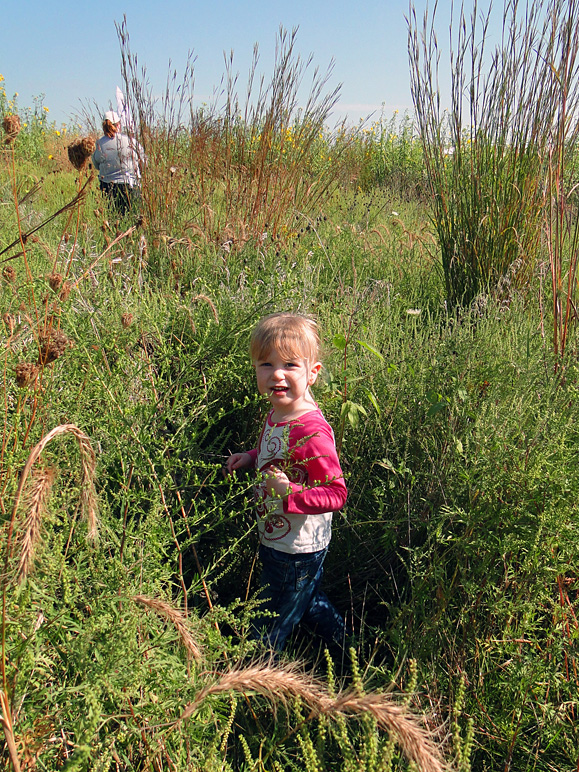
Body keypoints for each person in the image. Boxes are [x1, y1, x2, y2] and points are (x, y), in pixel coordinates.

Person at [226, 312, 347, 653]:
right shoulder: (281, 411)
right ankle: (349, 646)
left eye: (291, 365)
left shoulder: (311, 431)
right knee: (306, 601)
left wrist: (290, 493)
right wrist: (252, 456)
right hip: (282, 537)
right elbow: (277, 452)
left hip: (295, 549)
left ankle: (256, 676)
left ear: (313, 373)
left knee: (268, 623)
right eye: (266, 364)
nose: (277, 374)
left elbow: (336, 493)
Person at [91, 110, 144, 216]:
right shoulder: (130, 141)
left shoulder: (99, 144)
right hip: (131, 185)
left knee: (114, 217)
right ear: (118, 124)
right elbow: (143, 161)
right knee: (134, 217)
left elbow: (96, 165)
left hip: (108, 187)